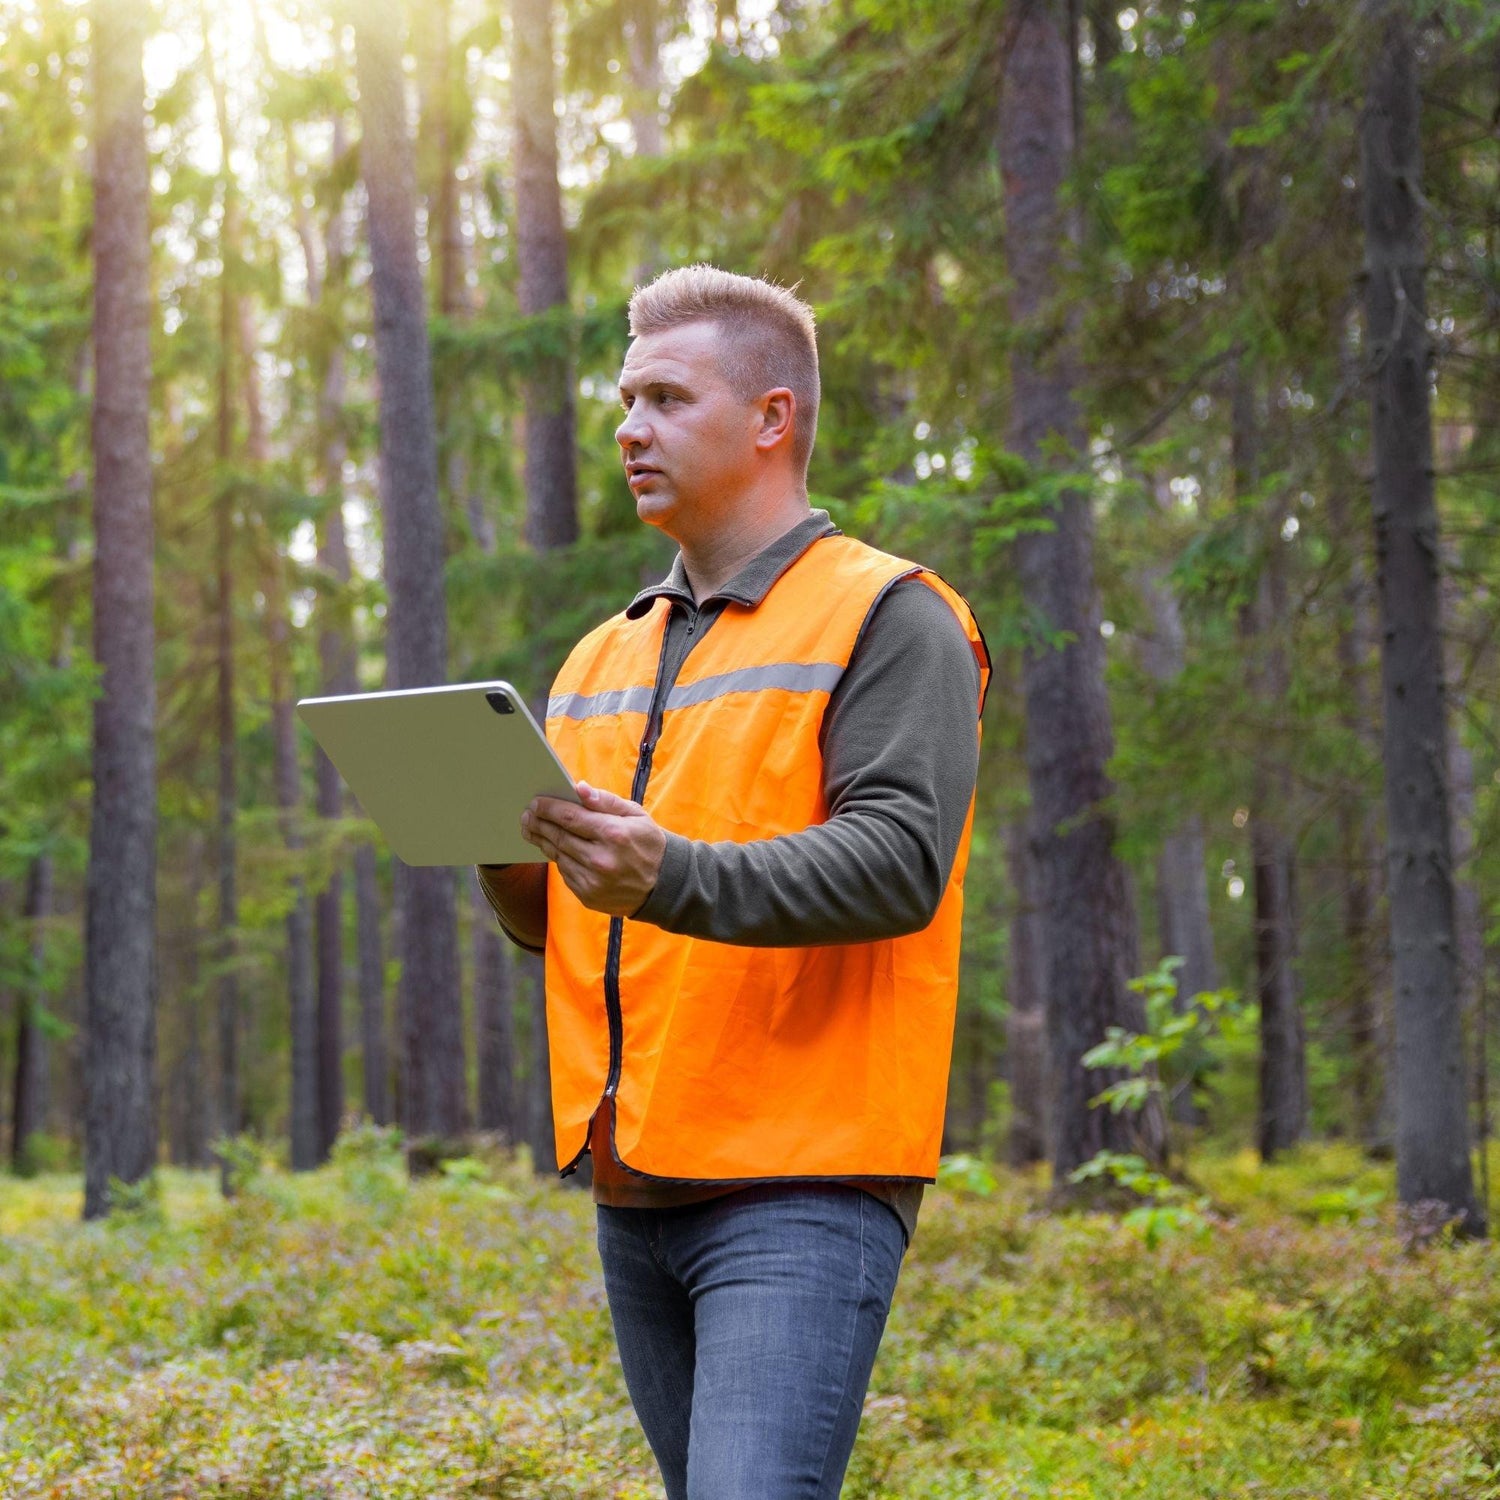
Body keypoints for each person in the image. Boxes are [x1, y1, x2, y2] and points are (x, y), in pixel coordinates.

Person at [477, 264, 989, 1500]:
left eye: (664, 397)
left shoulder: (892, 615)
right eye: (623, 400)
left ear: (771, 418)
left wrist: (666, 873)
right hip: (633, 1180)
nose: (627, 428)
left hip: (802, 1180)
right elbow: (564, 925)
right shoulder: (601, 652)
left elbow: (899, 862)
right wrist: (503, 846)